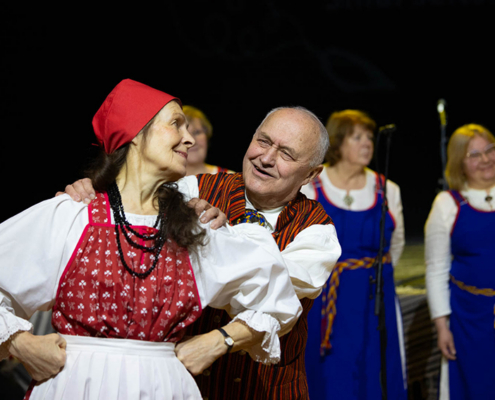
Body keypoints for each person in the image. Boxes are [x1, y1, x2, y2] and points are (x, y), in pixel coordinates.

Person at [0, 79, 304, 399]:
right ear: (134, 133)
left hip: (163, 386)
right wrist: (22, 343)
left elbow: (276, 298)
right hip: (76, 384)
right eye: (176, 124)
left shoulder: (192, 228)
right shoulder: (72, 215)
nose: (189, 139)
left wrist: (219, 341)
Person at [64, 105, 342, 399]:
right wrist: (89, 196)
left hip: (263, 389)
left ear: (311, 174)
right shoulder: (194, 188)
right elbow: (125, 223)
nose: (266, 158)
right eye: (263, 141)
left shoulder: (317, 232)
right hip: (178, 383)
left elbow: (268, 297)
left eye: (286, 154)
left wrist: (220, 235)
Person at [300, 109, 407, 399]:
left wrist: (366, 270)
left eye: (369, 137)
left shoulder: (387, 189)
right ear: (338, 142)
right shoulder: (312, 186)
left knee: (375, 366)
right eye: (357, 137)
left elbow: (395, 245)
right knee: (330, 373)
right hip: (326, 299)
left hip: (375, 296)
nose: (367, 144)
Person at [425, 123, 495, 400]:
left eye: (489, 150)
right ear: (459, 163)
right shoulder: (447, 204)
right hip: (468, 319)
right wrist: (442, 327)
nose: (486, 159)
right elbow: (436, 270)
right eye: (474, 155)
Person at [183, 105, 233, 175]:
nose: (192, 140)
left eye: (197, 132)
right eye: (185, 133)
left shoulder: (230, 178)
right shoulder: (166, 180)